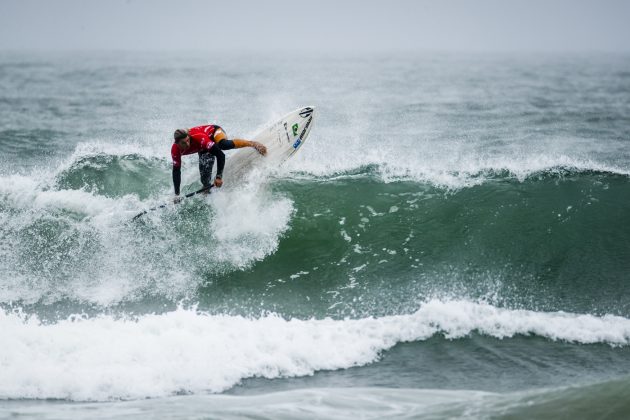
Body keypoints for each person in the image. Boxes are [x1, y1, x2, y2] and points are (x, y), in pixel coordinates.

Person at [171, 125, 267, 201]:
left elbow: (221, 155)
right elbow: (176, 171)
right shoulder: (175, 150)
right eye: (184, 143)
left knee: (223, 145)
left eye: (188, 140)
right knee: (205, 181)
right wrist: (177, 194)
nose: (187, 144)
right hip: (203, 148)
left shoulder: (199, 138)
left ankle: (252, 143)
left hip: (214, 132)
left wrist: (218, 177)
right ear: (177, 143)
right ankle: (208, 195)